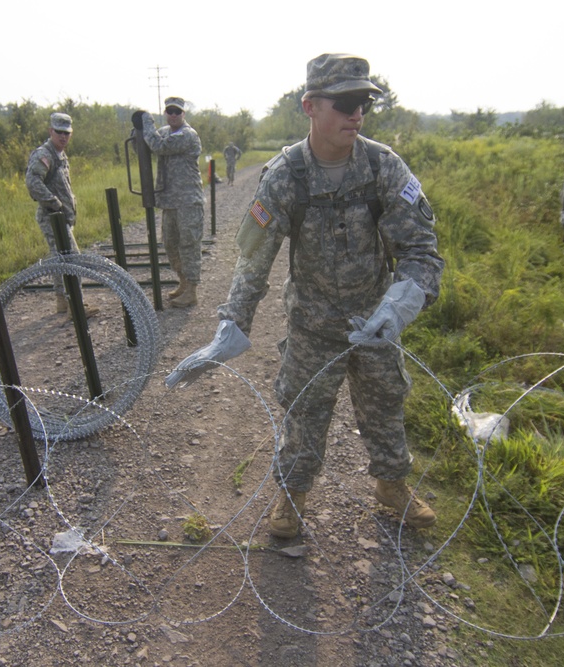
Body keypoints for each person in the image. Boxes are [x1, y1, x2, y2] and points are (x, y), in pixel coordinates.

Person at [165, 54, 445, 538]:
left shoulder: (383, 166)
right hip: (312, 325)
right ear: (310, 106)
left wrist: (398, 307)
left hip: (375, 318)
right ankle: (292, 497)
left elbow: (420, 249)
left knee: (385, 402)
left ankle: (392, 486)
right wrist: (232, 325)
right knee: (304, 413)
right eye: (345, 103)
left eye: (364, 104)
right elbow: (254, 259)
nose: (356, 114)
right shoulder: (285, 175)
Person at [26, 112, 98, 317]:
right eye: (59, 132)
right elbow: (32, 183)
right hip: (52, 218)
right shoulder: (45, 154)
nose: (63, 137)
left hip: (61, 218)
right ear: (51, 131)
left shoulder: (60, 155)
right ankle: (76, 305)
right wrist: (54, 203)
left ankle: (63, 302)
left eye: (67, 133)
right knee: (73, 260)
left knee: (60, 259)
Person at [138, 97, 205, 308]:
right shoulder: (165, 132)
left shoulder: (187, 135)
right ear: (166, 113)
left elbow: (158, 146)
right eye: (170, 111)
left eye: (177, 111)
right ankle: (183, 283)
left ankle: (192, 290)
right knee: (170, 244)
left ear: (183, 114)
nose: (173, 115)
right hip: (169, 201)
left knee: (189, 244)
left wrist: (146, 122)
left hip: (188, 201)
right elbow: (148, 145)